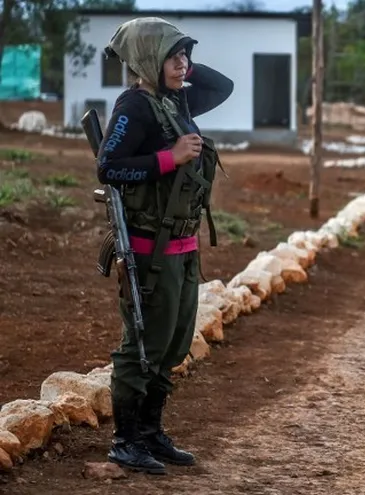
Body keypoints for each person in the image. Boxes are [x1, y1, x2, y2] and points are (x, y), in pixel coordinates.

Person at [95, 16, 233, 474]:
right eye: (174, 56)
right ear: (148, 60)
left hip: (182, 245)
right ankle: (125, 441)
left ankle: (151, 434)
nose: (185, 64)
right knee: (142, 346)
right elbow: (109, 167)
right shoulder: (135, 105)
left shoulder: (174, 100)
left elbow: (223, 85)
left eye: (186, 55)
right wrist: (168, 158)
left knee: (172, 343)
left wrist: (176, 67)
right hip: (148, 249)